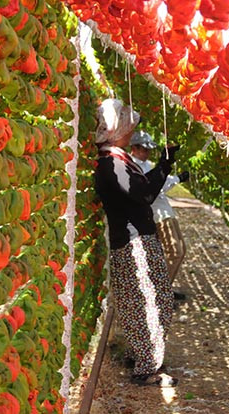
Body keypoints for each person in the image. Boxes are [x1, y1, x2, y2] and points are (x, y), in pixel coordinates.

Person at [94, 98, 179, 387]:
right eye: (128, 125)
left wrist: (165, 163)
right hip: (134, 243)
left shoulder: (115, 160)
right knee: (151, 302)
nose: (132, 130)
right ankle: (146, 368)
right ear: (117, 129)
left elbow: (142, 190)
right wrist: (165, 165)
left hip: (134, 240)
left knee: (144, 301)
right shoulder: (113, 164)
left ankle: (145, 358)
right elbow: (143, 194)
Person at [129, 131, 189, 300]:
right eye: (144, 149)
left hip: (166, 211)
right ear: (134, 148)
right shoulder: (132, 166)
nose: (147, 153)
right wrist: (168, 173)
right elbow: (153, 187)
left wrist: (177, 177)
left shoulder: (145, 163)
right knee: (174, 251)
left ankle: (165, 288)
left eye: (148, 149)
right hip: (157, 214)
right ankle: (158, 293)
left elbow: (161, 180)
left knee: (181, 250)